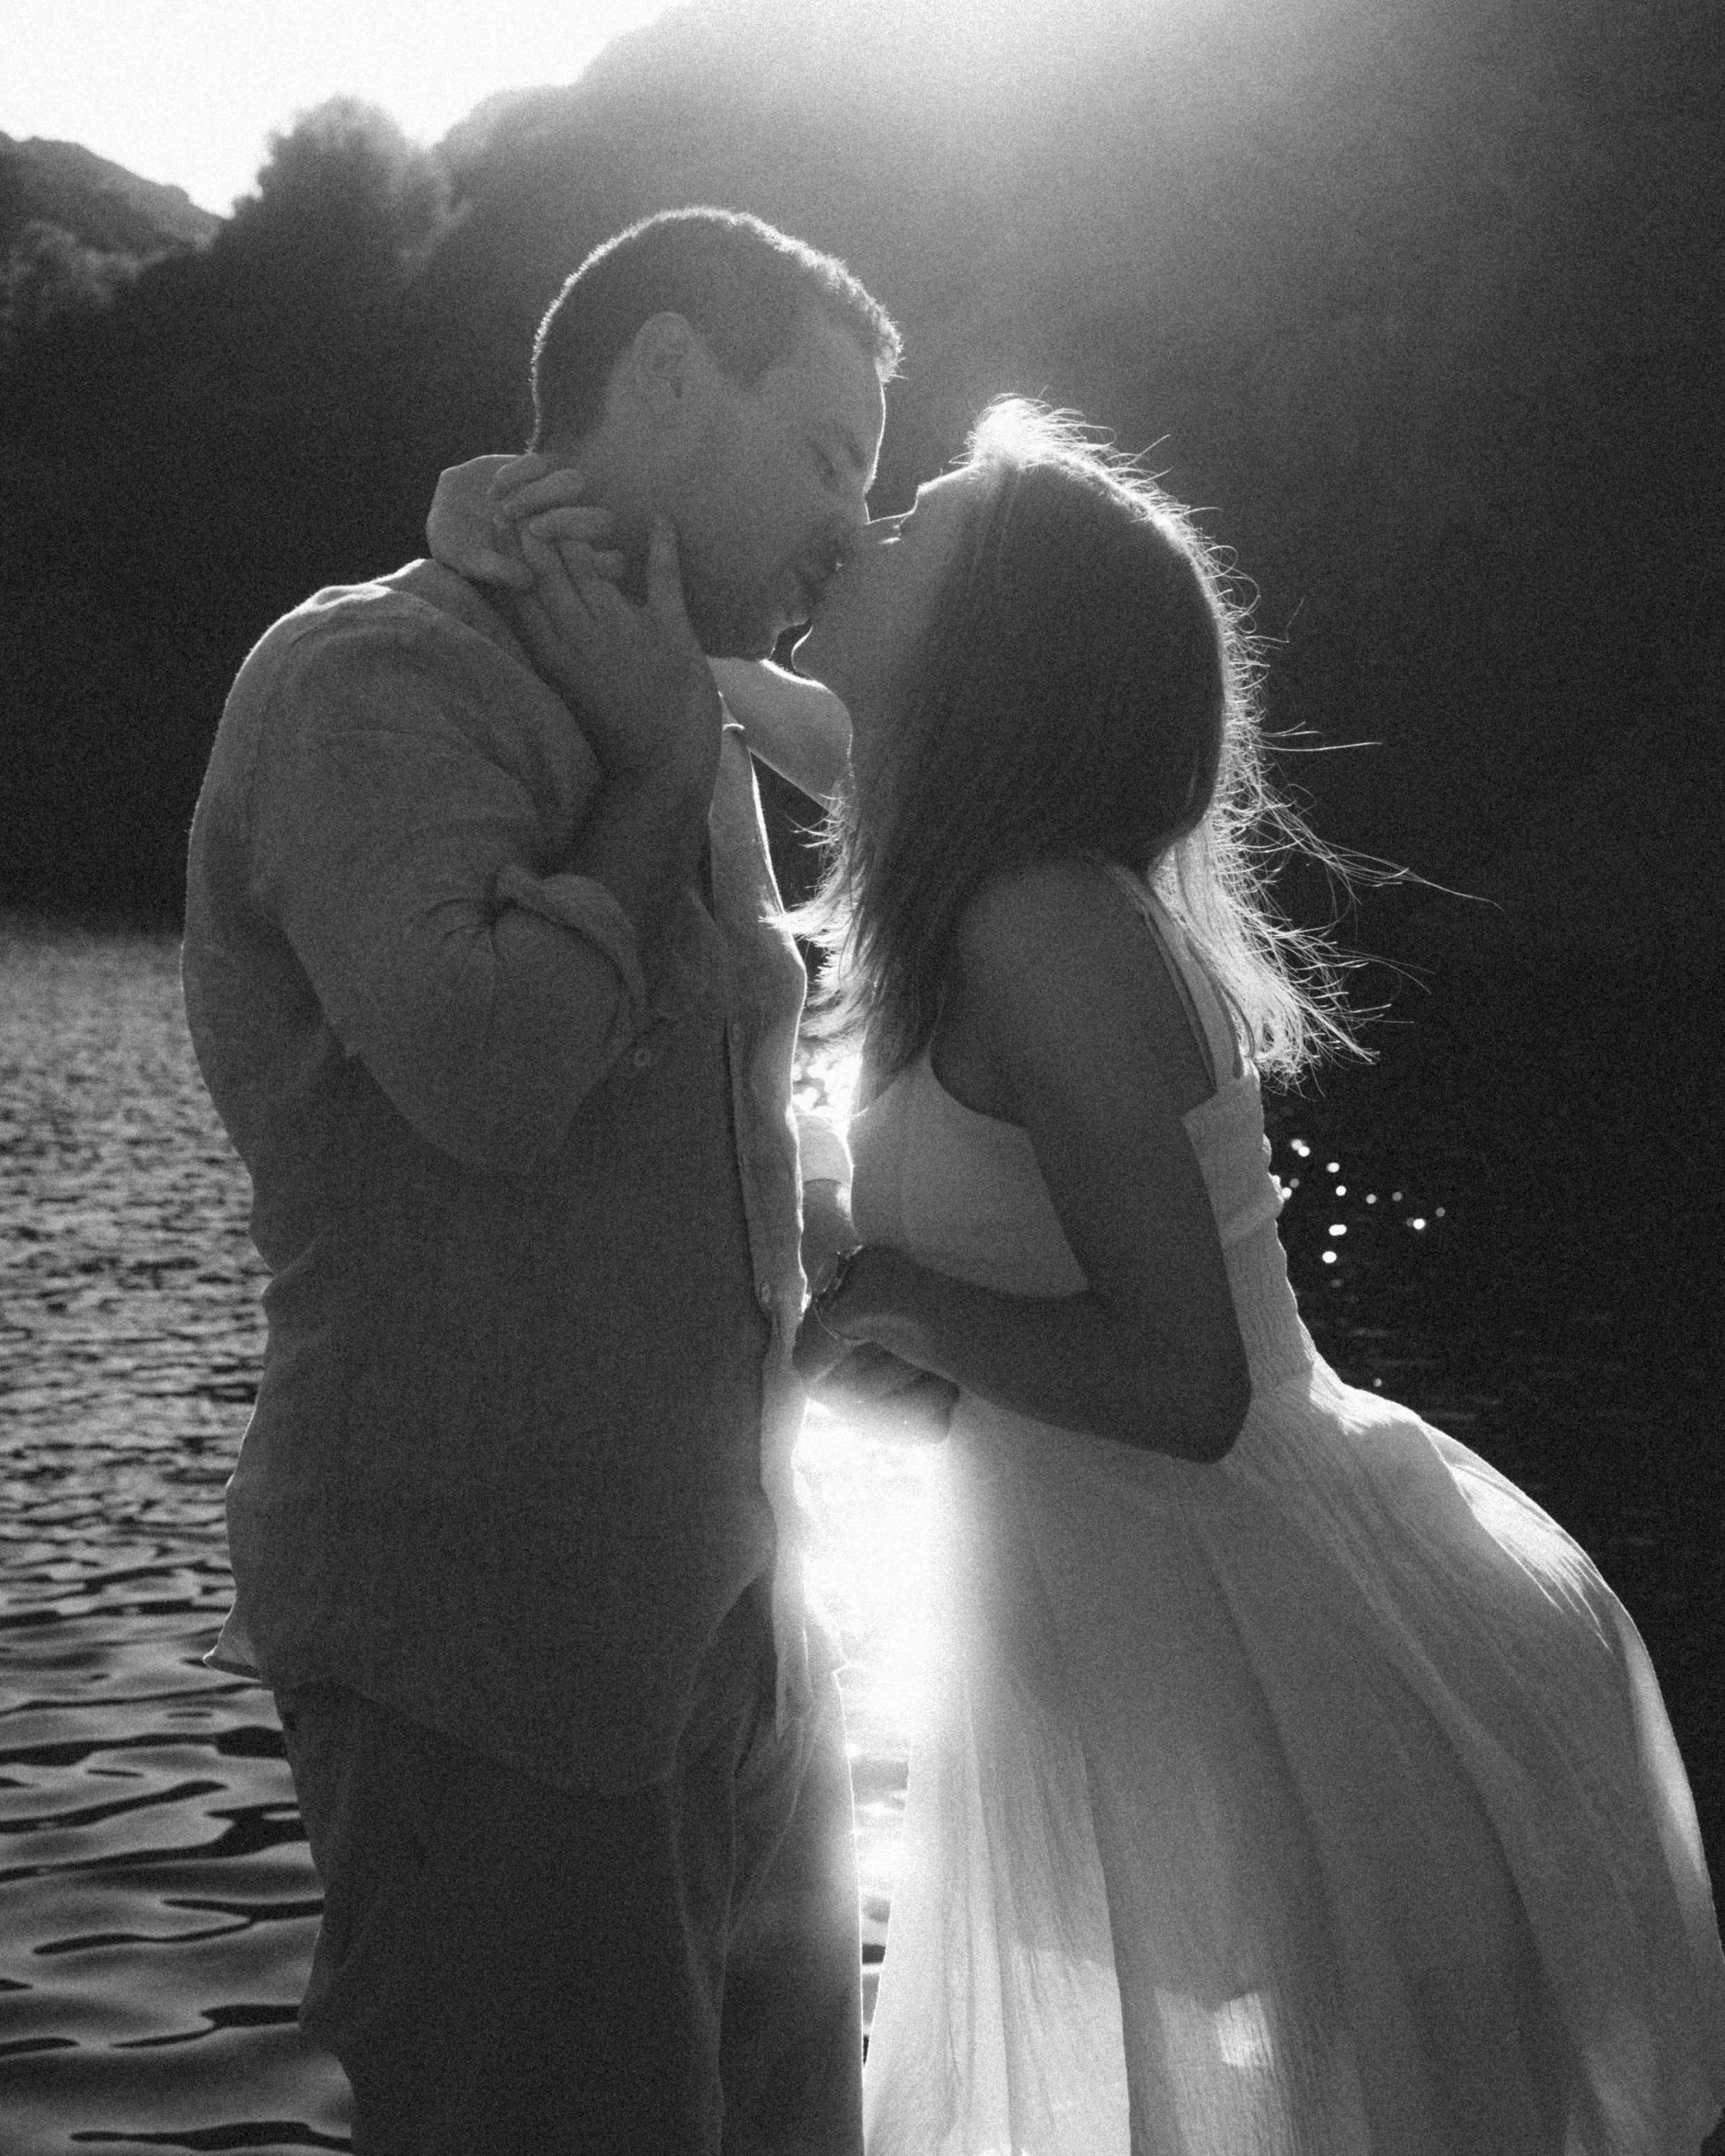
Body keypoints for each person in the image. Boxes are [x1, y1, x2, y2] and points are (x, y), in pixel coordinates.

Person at [454, 395, 1725, 2150]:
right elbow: (821, 738)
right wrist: (592, 591)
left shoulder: (1036, 921)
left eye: (921, 528)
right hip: (1141, 1617)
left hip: (1260, 1644)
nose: (869, 523)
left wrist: (893, 1295)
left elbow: (1185, 1384)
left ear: (995, 649)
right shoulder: (976, 862)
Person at [181, 206, 905, 2155]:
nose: (850, 519)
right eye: (826, 454)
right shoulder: (370, 680)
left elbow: (721, 1155)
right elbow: (487, 1068)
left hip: (739, 1639)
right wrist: (660, 768)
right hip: (485, 1656)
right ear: (664, 378)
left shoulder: (685, 693)